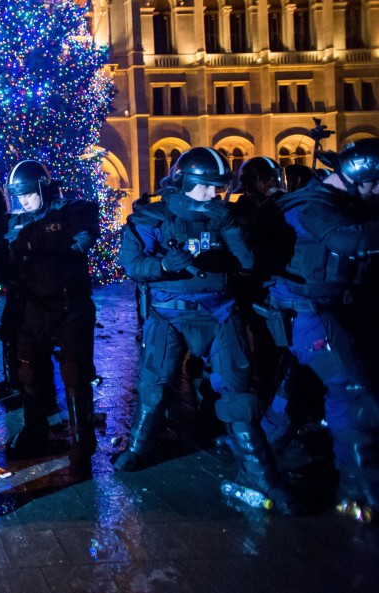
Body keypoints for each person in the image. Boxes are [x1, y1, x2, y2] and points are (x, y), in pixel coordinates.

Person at [115, 146, 299, 513]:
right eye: (205, 187)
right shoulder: (152, 217)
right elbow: (132, 264)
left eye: (218, 187)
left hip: (220, 312)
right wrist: (163, 266)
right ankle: (137, 447)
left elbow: (249, 264)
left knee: (239, 395)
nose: (213, 194)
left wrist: (230, 229)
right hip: (169, 313)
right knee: (154, 386)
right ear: (184, 183)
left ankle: (260, 475)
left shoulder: (227, 217)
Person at [264, 139, 379, 521]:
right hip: (310, 315)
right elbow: (348, 240)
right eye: (376, 184)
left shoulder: (341, 201)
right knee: (351, 391)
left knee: (298, 392)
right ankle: (359, 489)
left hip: (327, 311)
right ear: (359, 178)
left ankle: (257, 459)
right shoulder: (312, 206)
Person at [0, 160, 99, 479]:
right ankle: (35, 430)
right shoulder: (14, 221)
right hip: (32, 307)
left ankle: (82, 443)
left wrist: (37, 241)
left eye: (29, 193)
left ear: (43, 189)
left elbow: (80, 242)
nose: (25, 201)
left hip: (70, 305)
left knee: (76, 373)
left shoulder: (72, 210)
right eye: (19, 195)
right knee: (30, 373)